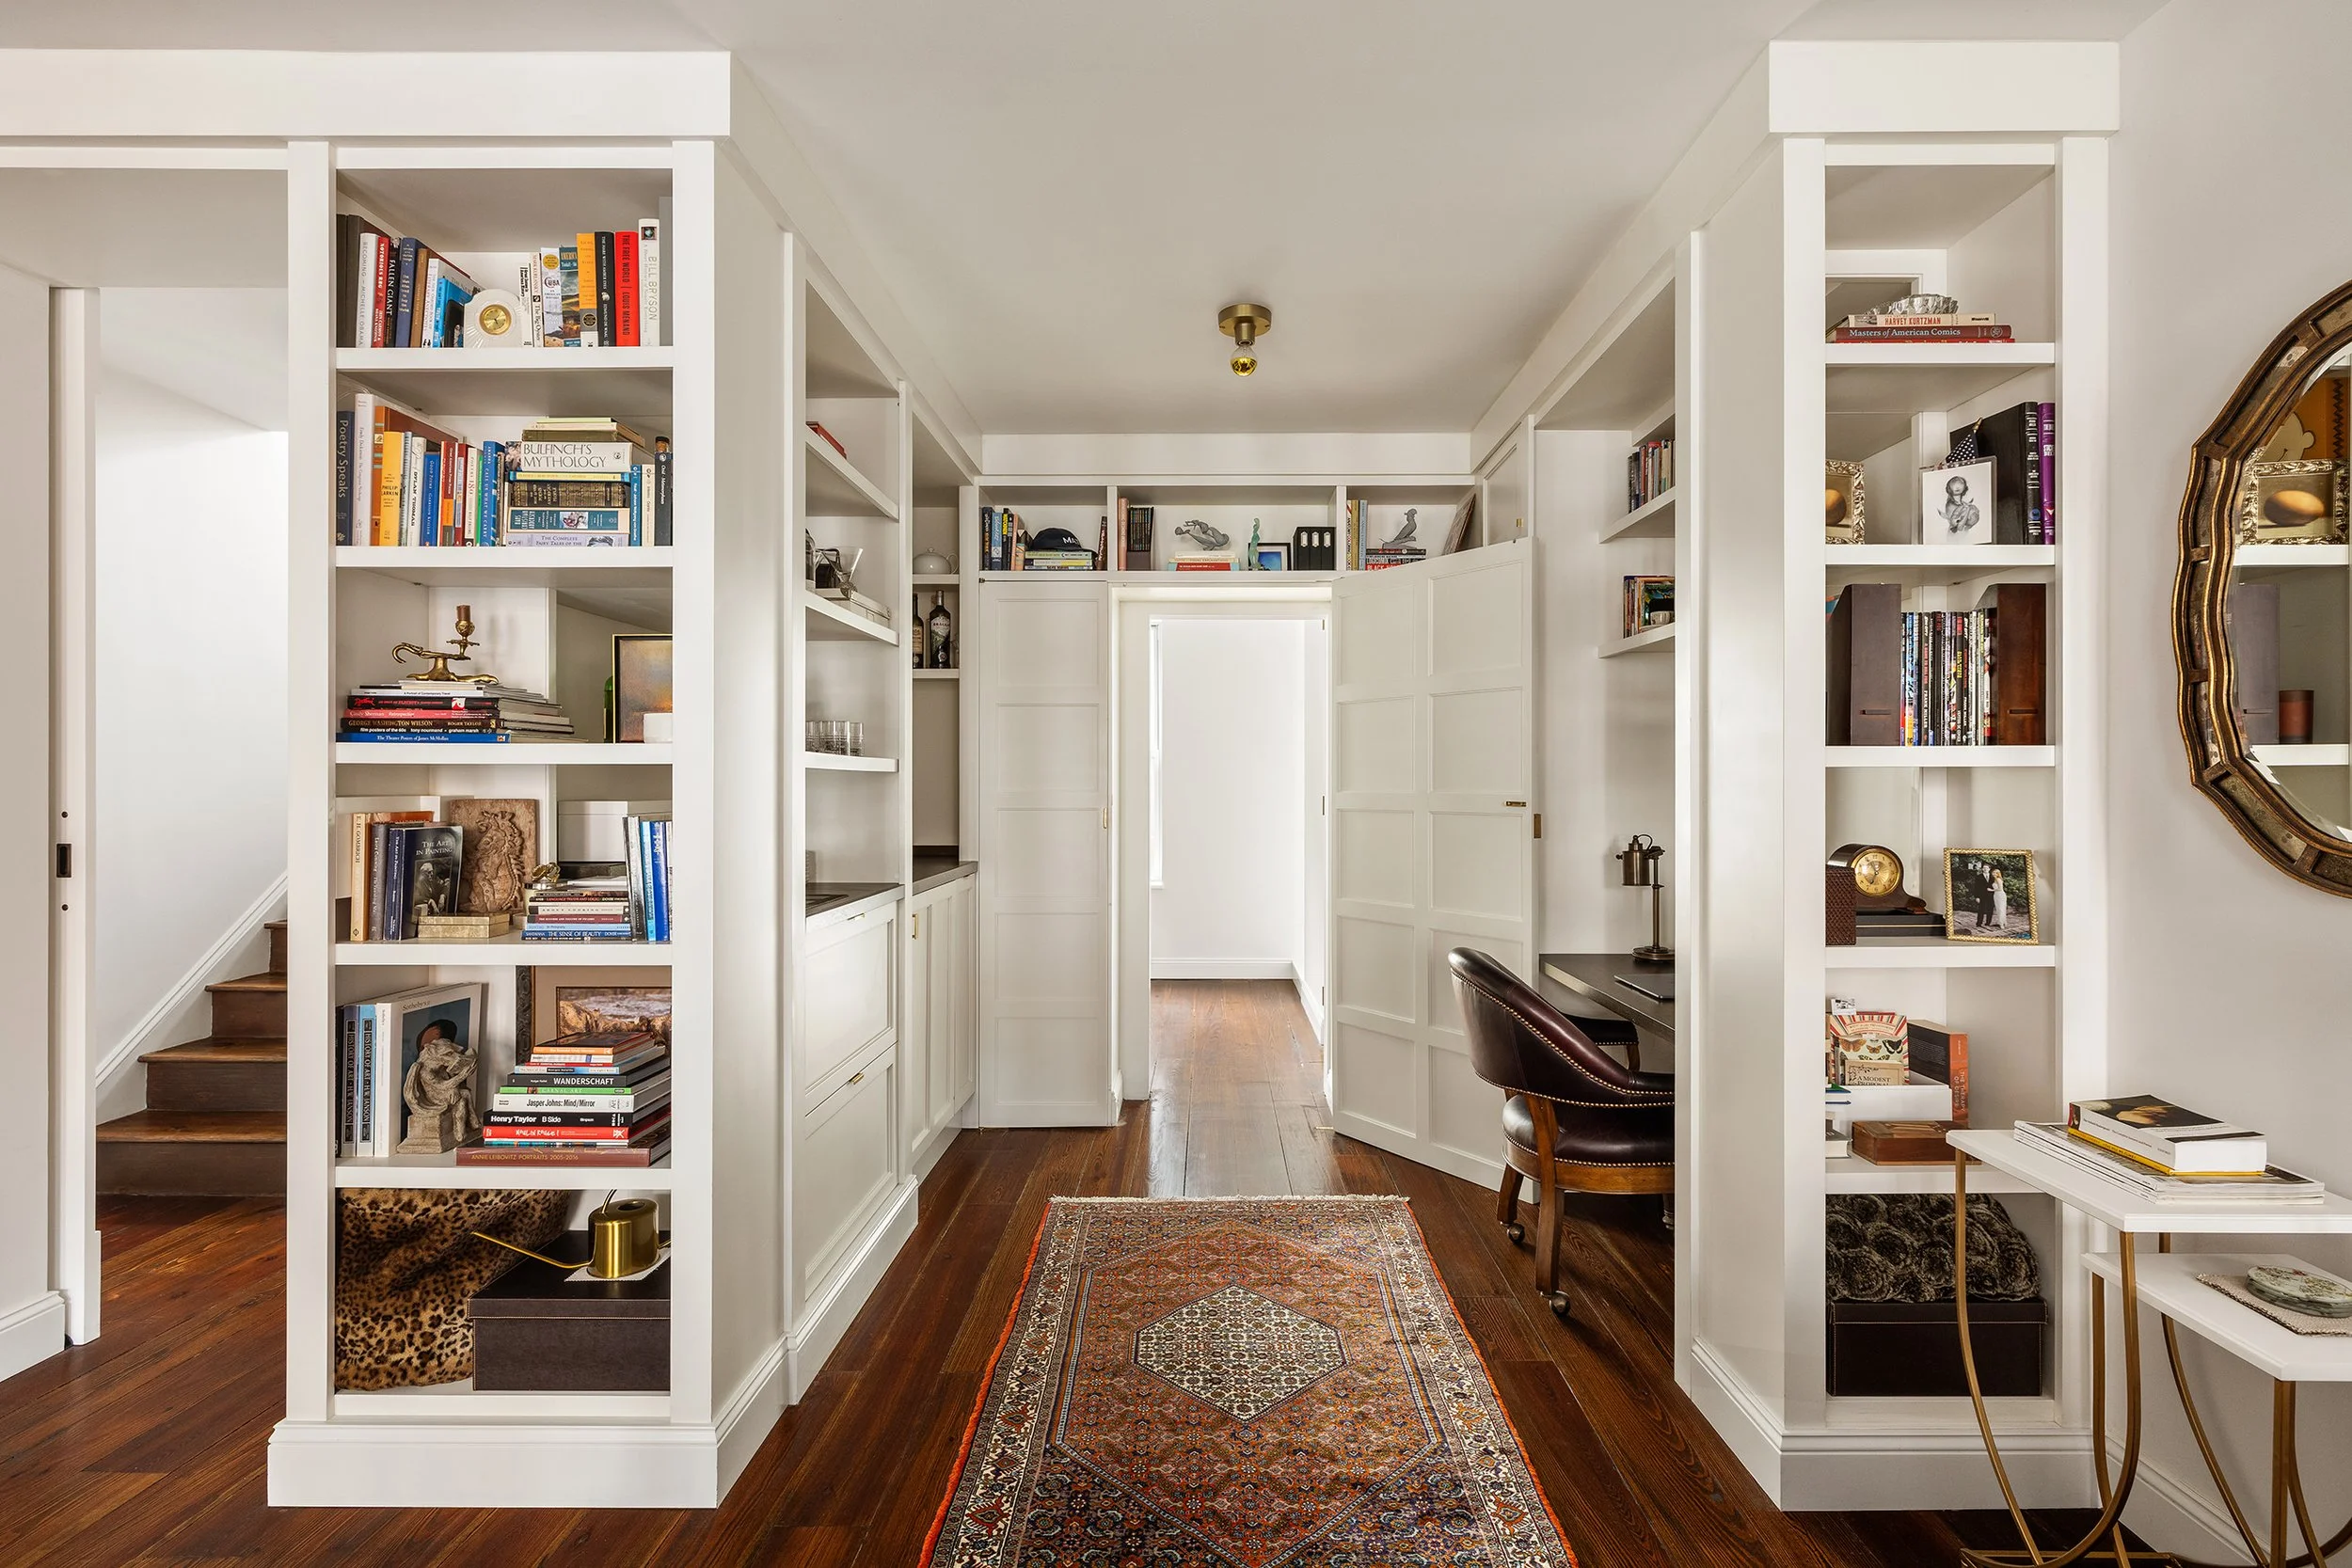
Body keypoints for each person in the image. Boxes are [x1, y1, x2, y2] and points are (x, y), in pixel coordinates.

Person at [1940, 472, 1981, 539]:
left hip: (1964, 535)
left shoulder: (1963, 504)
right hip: (1954, 536)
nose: (1957, 486)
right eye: (1954, 484)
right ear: (1949, 488)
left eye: (1960, 484)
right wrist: (1967, 512)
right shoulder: (1950, 505)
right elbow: (1956, 524)